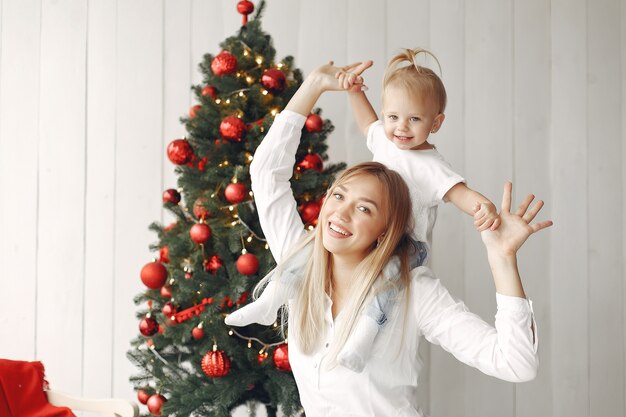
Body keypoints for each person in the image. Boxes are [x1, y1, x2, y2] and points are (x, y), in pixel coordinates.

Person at [226, 62, 552, 416]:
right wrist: (315, 86)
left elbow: (517, 364)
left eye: (364, 209)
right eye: (338, 196)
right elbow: (266, 173)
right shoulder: (301, 262)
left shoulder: (414, 290)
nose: (341, 214)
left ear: (386, 228)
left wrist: (502, 259)